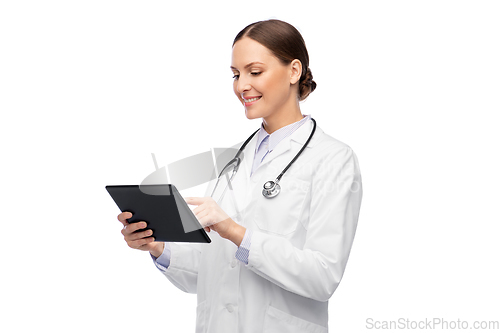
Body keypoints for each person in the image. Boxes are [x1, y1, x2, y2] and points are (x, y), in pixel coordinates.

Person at [118, 19, 362, 333]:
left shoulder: (333, 158)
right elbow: (210, 272)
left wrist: (235, 231)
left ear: (294, 71)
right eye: (235, 75)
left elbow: (322, 275)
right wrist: (158, 247)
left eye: (254, 71)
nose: (241, 86)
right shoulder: (231, 159)